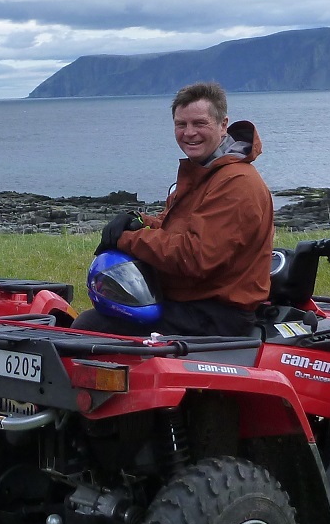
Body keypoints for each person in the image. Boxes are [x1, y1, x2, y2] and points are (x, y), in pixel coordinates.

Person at [77, 81, 274, 337]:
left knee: (91, 328)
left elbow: (195, 257)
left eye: (199, 123)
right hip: (192, 302)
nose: (189, 133)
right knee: (104, 311)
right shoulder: (207, 171)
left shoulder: (236, 182)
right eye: (181, 124)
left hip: (216, 314)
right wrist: (140, 222)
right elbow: (178, 228)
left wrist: (126, 239)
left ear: (223, 125)